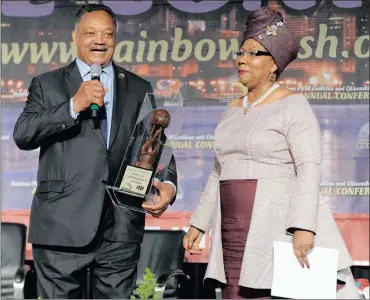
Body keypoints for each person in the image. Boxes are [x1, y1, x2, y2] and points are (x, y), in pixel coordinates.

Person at [183, 6, 360, 299]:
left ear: (273, 64)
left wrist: (304, 227)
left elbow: (309, 167)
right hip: (230, 230)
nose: (242, 59)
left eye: (254, 53)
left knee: (266, 291)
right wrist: (198, 224)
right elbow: (218, 171)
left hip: (274, 224)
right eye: (240, 52)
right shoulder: (232, 109)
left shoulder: (294, 106)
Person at [13, 4, 177, 299]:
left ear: (115, 39)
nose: (99, 40)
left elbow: (152, 141)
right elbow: (23, 134)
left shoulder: (138, 87)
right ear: (75, 37)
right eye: (90, 33)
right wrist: (73, 106)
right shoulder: (47, 84)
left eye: (107, 34)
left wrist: (167, 182)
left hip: (120, 226)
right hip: (61, 226)